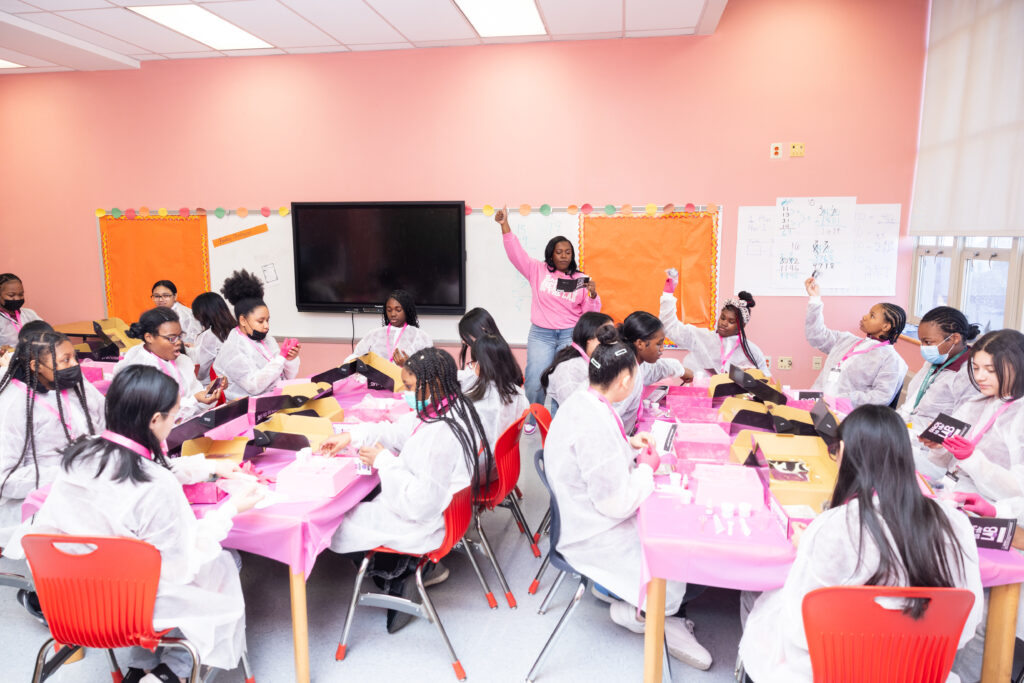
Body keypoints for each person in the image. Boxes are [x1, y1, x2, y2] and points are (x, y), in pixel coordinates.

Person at [4, 366, 262, 682]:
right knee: (225, 561)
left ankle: (140, 665)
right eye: (174, 416)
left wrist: (207, 466)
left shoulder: (80, 457)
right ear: (155, 420)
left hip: (70, 599)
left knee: (140, 564)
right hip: (128, 606)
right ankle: (174, 671)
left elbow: (136, 467)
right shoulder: (157, 485)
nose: (175, 423)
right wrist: (231, 509)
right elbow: (180, 566)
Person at [738, 404, 983, 683]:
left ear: (843, 451)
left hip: (833, 669)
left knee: (761, 601)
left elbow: (799, 627)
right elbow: (966, 624)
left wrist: (809, 545)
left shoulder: (835, 525)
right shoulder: (955, 523)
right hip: (915, 670)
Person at [543, 328, 712, 670]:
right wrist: (647, 469)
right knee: (672, 548)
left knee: (670, 525)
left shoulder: (586, 400)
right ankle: (645, 613)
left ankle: (656, 610)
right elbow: (615, 503)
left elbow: (598, 460)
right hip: (592, 531)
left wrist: (628, 446)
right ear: (623, 381)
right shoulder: (593, 421)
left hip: (591, 512)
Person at [327, 348, 491, 632]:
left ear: (435, 383)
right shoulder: (446, 407)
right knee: (363, 504)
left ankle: (399, 573)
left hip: (425, 521)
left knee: (335, 524)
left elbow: (419, 503)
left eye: (411, 386)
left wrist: (383, 461)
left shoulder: (441, 431)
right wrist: (351, 435)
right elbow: (395, 432)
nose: (405, 391)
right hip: (446, 511)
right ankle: (400, 570)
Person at [930, 330, 1024, 682]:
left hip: (1004, 522)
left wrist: (973, 461)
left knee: (979, 614)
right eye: (977, 368)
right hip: (960, 500)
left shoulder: (1020, 415)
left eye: (991, 370)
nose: (981, 377)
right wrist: (936, 446)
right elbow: (941, 460)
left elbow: (1018, 487)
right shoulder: (975, 404)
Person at [495, 206, 601, 434]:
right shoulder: (537, 270)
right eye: (559, 251)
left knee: (563, 382)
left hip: (570, 335)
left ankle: (559, 424)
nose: (564, 256)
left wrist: (593, 295)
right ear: (550, 253)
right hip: (541, 334)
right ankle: (533, 420)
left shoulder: (581, 279)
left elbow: (589, 312)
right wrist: (504, 226)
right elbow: (516, 255)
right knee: (534, 380)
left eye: (568, 252)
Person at [0, 330, 105, 548]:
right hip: (38, 508)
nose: (74, 365)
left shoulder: (75, 386)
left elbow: (105, 422)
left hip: (85, 489)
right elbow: (5, 480)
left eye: (74, 357)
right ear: (35, 366)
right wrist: (67, 471)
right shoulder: (13, 405)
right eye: (65, 360)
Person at [897, 306, 980, 479]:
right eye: (921, 342)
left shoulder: (969, 374)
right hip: (909, 437)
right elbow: (912, 402)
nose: (924, 347)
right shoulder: (936, 361)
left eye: (928, 342)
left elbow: (963, 427)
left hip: (933, 456)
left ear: (954, 338)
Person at [804, 277, 907, 407]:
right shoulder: (846, 340)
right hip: (816, 404)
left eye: (872, 316)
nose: (865, 317)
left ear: (885, 326)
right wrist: (815, 299)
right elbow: (816, 335)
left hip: (847, 415)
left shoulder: (891, 360)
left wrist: (840, 400)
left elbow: (881, 397)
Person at [116, 307, 224, 423]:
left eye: (180, 336)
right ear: (149, 337)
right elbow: (156, 418)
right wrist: (195, 400)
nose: (178, 342)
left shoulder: (182, 361)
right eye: (171, 338)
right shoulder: (140, 371)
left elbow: (194, 401)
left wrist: (207, 393)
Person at [660, 274, 768, 379]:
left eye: (731, 321)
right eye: (723, 318)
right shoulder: (701, 337)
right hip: (698, 393)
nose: (724, 323)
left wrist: (750, 376)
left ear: (742, 325)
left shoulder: (752, 351)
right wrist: (668, 295)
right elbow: (670, 327)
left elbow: (766, 379)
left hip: (732, 397)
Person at [214, 270, 300, 400]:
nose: (266, 326)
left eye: (268, 320)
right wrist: (281, 358)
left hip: (275, 398)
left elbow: (288, 377)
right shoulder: (232, 349)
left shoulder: (267, 339)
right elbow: (253, 386)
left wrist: (289, 359)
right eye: (260, 321)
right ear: (243, 320)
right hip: (246, 408)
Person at [459, 333, 528, 479]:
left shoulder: (478, 403)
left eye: (472, 362)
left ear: (480, 364)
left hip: (477, 473)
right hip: (501, 467)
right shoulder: (518, 393)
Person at [616, 311, 688, 434]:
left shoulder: (636, 363)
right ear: (640, 344)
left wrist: (680, 370)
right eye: (658, 344)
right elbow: (610, 418)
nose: (662, 349)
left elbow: (655, 369)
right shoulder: (626, 374)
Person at [541, 311, 615, 413]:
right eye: (608, 336)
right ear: (590, 337)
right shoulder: (569, 369)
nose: (613, 342)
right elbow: (575, 411)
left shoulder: (596, 361)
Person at [349, 289, 432, 366]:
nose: (393, 314)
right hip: (376, 380)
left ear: (407, 310)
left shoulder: (421, 337)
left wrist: (408, 364)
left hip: (405, 381)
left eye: (398, 310)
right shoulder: (374, 335)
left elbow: (430, 367)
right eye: (389, 310)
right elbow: (353, 358)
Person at [189, 291, 237, 382]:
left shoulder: (208, 336)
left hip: (221, 388)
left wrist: (194, 351)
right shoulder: (237, 329)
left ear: (202, 314)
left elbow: (201, 373)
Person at [151, 279, 201, 345]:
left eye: (166, 295)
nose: (160, 299)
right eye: (156, 296)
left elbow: (193, 341)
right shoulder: (154, 314)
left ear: (175, 296)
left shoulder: (186, 315)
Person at [0, 273, 42, 348]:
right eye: (11, 295)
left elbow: (46, 333)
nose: (17, 298)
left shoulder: (30, 314)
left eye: (21, 294)